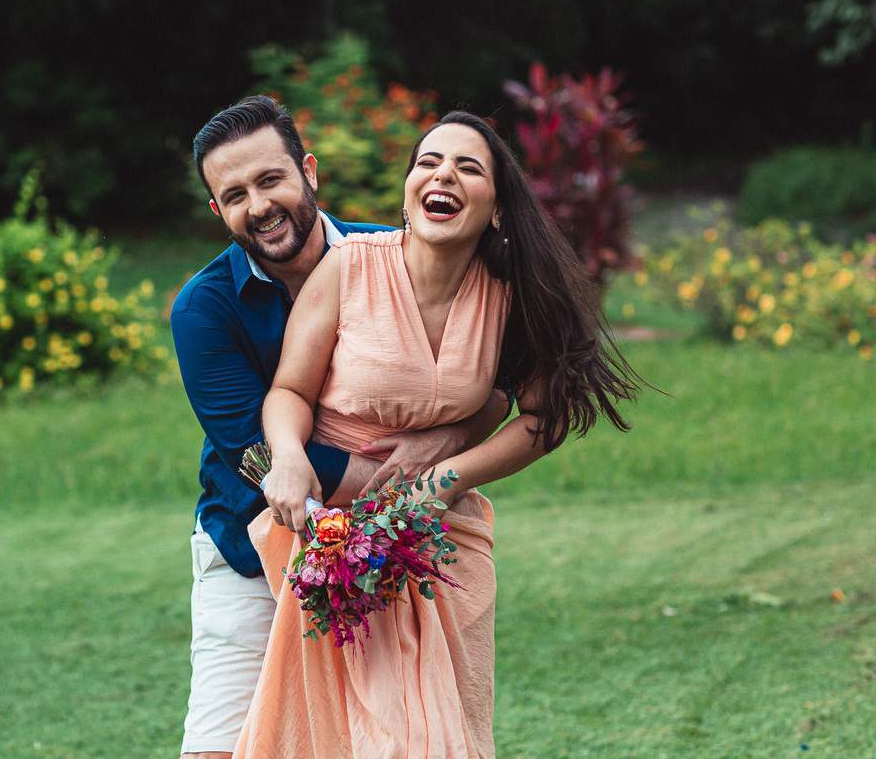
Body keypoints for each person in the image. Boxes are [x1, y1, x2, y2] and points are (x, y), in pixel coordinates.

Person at [235, 111, 643, 758]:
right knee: (343, 740)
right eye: (428, 162)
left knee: (437, 740)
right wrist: (286, 456)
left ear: (498, 209)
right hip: (339, 539)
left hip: (442, 542)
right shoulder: (349, 268)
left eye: (467, 167)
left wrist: (444, 477)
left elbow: (543, 419)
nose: (443, 174)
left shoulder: (513, 296)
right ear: (407, 193)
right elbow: (289, 391)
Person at [171, 98, 512, 759]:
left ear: (309, 171)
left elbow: (483, 375)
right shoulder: (203, 309)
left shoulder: (393, 255)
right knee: (216, 748)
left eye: (271, 180)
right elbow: (255, 453)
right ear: (218, 211)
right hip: (248, 548)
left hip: (385, 557)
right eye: (235, 195)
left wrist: (436, 452)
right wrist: (409, 489)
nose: (259, 205)